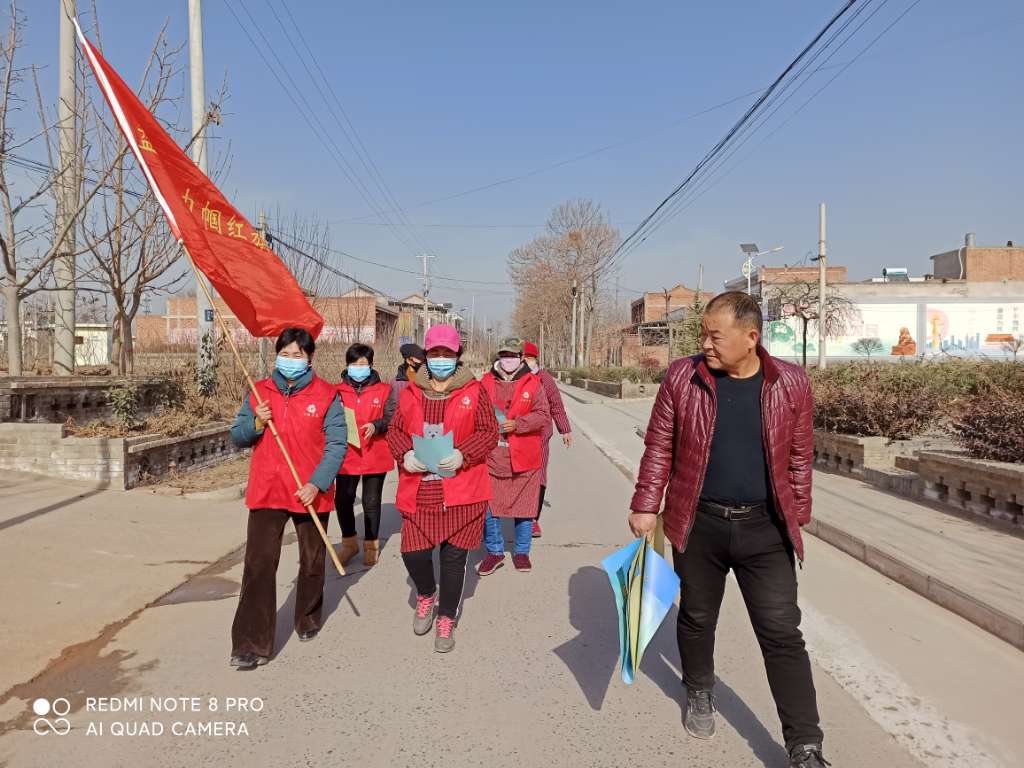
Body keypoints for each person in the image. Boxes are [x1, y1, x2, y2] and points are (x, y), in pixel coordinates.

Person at [627, 291, 827, 768]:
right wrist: (646, 505)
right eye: (704, 334)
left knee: (781, 632)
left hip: (766, 530)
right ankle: (699, 689)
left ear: (751, 337)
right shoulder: (683, 377)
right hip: (699, 523)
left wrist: (798, 513)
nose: (706, 344)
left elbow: (800, 455)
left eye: (715, 336)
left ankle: (805, 745)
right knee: (697, 617)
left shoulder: (791, 383)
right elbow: (659, 446)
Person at [228, 327, 347, 670]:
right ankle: (250, 643)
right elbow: (237, 436)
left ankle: (307, 617)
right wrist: (256, 423)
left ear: (309, 359)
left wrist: (317, 484)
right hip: (268, 489)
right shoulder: (259, 392)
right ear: (276, 355)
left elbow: (337, 445)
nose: (290, 360)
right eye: (285, 354)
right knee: (258, 565)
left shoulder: (327, 395)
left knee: (312, 560)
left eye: (298, 355)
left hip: (309, 491)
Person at [387, 324, 498, 653]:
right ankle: (425, 593)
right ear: (425, 356)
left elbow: (489, 432)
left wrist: (464, 454)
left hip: (462, 491)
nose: (440, 359)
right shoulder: (411, 392)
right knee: (413, 553)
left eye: (446, 353)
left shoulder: (474, 391)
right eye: (434, 353)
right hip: (420, 490)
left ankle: (446, 617)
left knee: (453, 561)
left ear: (457, 355)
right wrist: (405, 455)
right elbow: (395, 430)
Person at [477, 338, 550, 575]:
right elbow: (475, 411)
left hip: (524, 457)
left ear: (520, 358)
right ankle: (494, 551)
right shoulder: (486, 382)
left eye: (512, 355)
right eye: (504, 355)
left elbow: (543, 415)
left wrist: (518, 424)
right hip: (492, 456)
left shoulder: (533, 383)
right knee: (490, 507)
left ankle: (521, 552)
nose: (508, 360)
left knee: (525, 508)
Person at [335, 343, 396, 567]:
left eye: (363, 364)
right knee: (343, 500)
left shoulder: (384, 390)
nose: (358, 368)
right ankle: (349, 543)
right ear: (347, 365)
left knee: (371, 501)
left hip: (374, 452)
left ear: (370, 365)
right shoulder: (336, 392)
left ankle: (371, 545)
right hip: (346, 454)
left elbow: (392, 418)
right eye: (354, 363)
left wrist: (376, 425)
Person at [521, 341, 572, 538]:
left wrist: (565, 430)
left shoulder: (545, 379)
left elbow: (556, 405)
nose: (525, 362)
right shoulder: (512, 379)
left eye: (529, 358)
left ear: (535, 359)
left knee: (539, 475)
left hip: (540, 438)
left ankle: (533, 520)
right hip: (517, 437)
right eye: (522, 358)